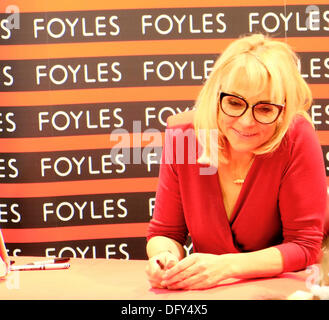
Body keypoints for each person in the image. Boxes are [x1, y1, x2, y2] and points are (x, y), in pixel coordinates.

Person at [145, 33, 327, 290]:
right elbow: (165, 233)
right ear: (214, 96)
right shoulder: (183, 135)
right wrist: (165, 258)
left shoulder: (296, 137)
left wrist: (227, 266)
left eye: (264, 109)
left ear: (284, 110)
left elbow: (304, 247)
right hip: (211, 292)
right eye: (233, 102)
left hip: (283, 290)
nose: (246, 122)